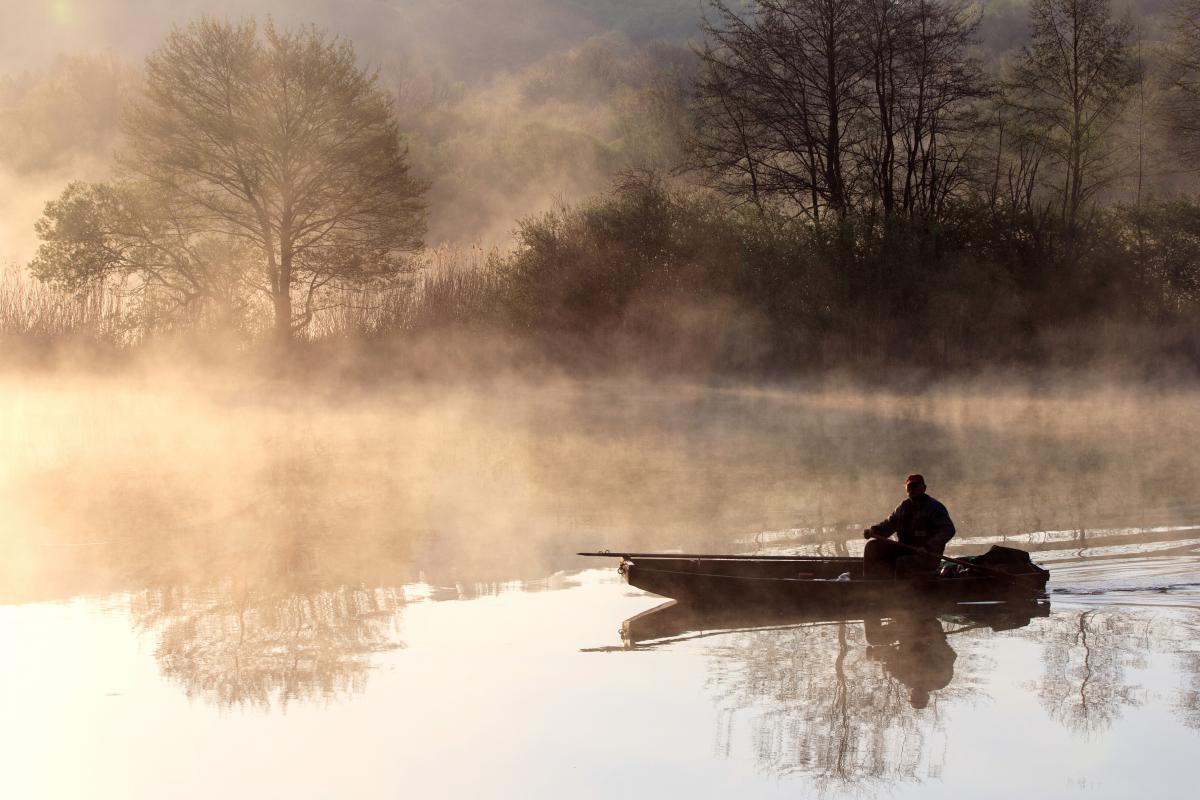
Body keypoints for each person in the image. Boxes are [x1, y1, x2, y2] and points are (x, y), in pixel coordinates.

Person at [863, 474, 955, 579]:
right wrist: (873, 531)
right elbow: (888, 525)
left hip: (927, 556)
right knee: (872, 547)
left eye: (915, 486)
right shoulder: (902, 508)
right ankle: (869, 585)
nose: (912, 489)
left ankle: (899, 592)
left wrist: (929, 547)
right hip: (904, 550)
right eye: (909, 487)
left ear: (924, 488)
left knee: (902, 562)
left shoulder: (934, 508)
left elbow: (948, 530)